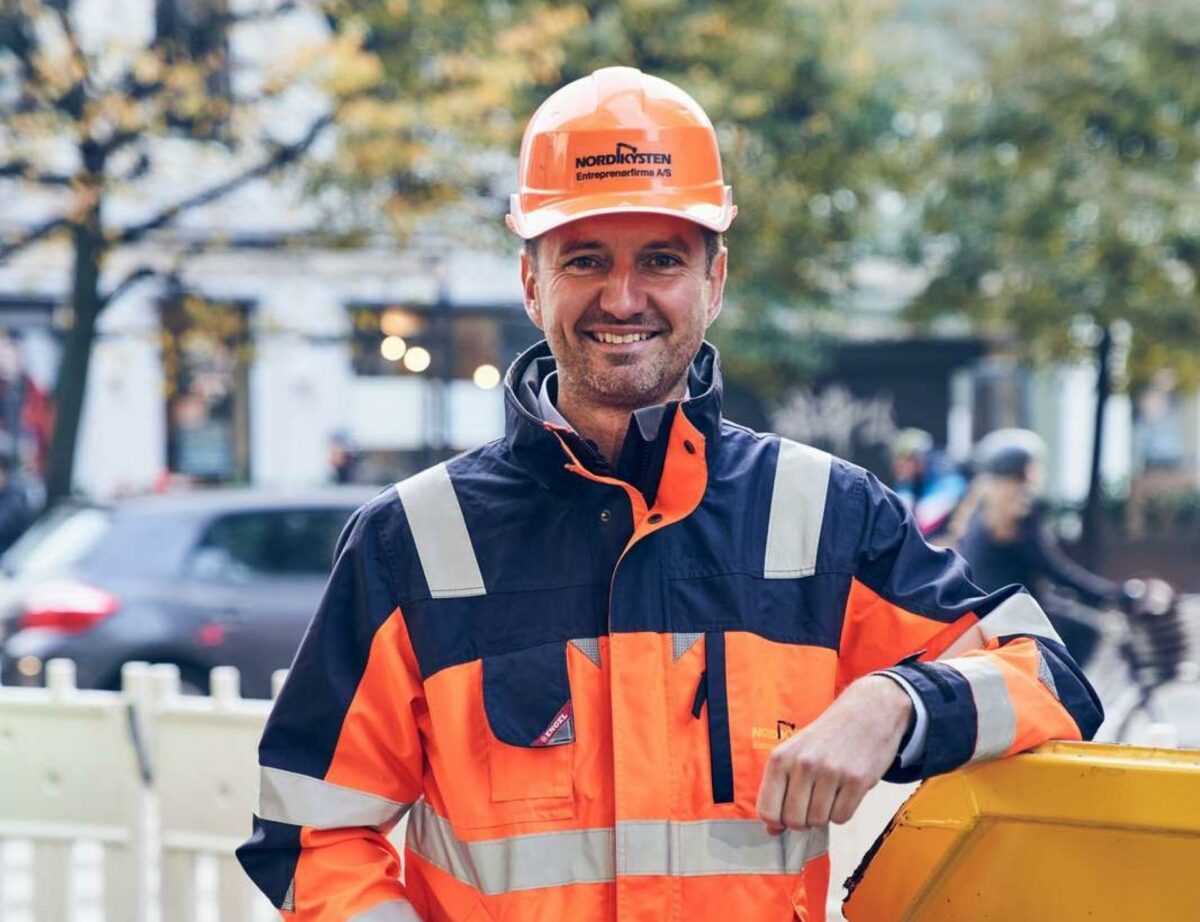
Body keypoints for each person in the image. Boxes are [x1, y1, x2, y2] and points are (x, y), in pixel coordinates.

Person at [237, 68, 1102, 922]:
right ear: (531, 282)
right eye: (585, 259)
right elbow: (310, 833)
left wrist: (898, 702)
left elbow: (1054, 680)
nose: (623, 297)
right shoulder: (415, 540)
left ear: (713, 282)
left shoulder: (823, 514)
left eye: (661, 259)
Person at [955, 428, 1129, 667]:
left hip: (987, 616)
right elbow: (1054, 569)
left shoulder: (981, 512)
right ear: (1025, 473)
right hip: (1013, 618)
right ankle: (1062, 696)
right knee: (1087, 631)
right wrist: (1114, 595)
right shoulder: (1017, 515)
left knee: (1067, 620)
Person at [889, 427, 968, 541]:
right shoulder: (906, 484)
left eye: (905, 461)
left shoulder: (950, 482)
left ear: (921, 459)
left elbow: (924, 524)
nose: (898, 468)